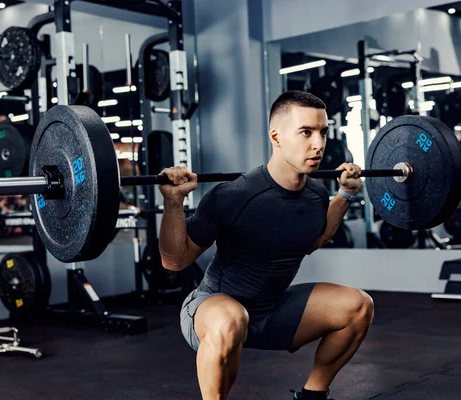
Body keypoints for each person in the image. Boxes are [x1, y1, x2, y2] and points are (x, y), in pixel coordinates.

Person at [158, 90, 375, 400]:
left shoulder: (315, 194)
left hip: (271, 310)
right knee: (232, 319)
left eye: (323, 132)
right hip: (213, 310)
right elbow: (174, 261)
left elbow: (314, 240)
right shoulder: (234, 195)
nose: (319, 144)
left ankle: (312, 396)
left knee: (357, 306)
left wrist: (345, 196)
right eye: (306, 132)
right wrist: (173, 202)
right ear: (276, 136)